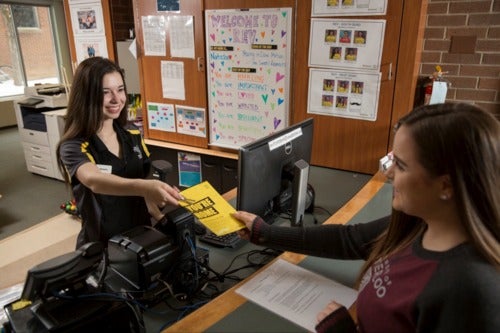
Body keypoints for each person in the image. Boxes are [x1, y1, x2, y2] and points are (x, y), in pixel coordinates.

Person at [233, 102, 499, 333]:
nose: (389, 173)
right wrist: (264, 232)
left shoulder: (472, 291)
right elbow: (350, 239)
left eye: (402, 165)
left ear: (446, 186)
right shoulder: (419, 225)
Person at [57, 57, 183, 248]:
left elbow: (143, 193)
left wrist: (161, 211)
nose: (116, 99)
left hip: (141, 240)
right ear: (87, 96)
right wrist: (145, 187)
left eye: (120, 89)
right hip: (103, 245)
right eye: (105, 92)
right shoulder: (74, 145)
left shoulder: (132, 134)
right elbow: (94, 180)